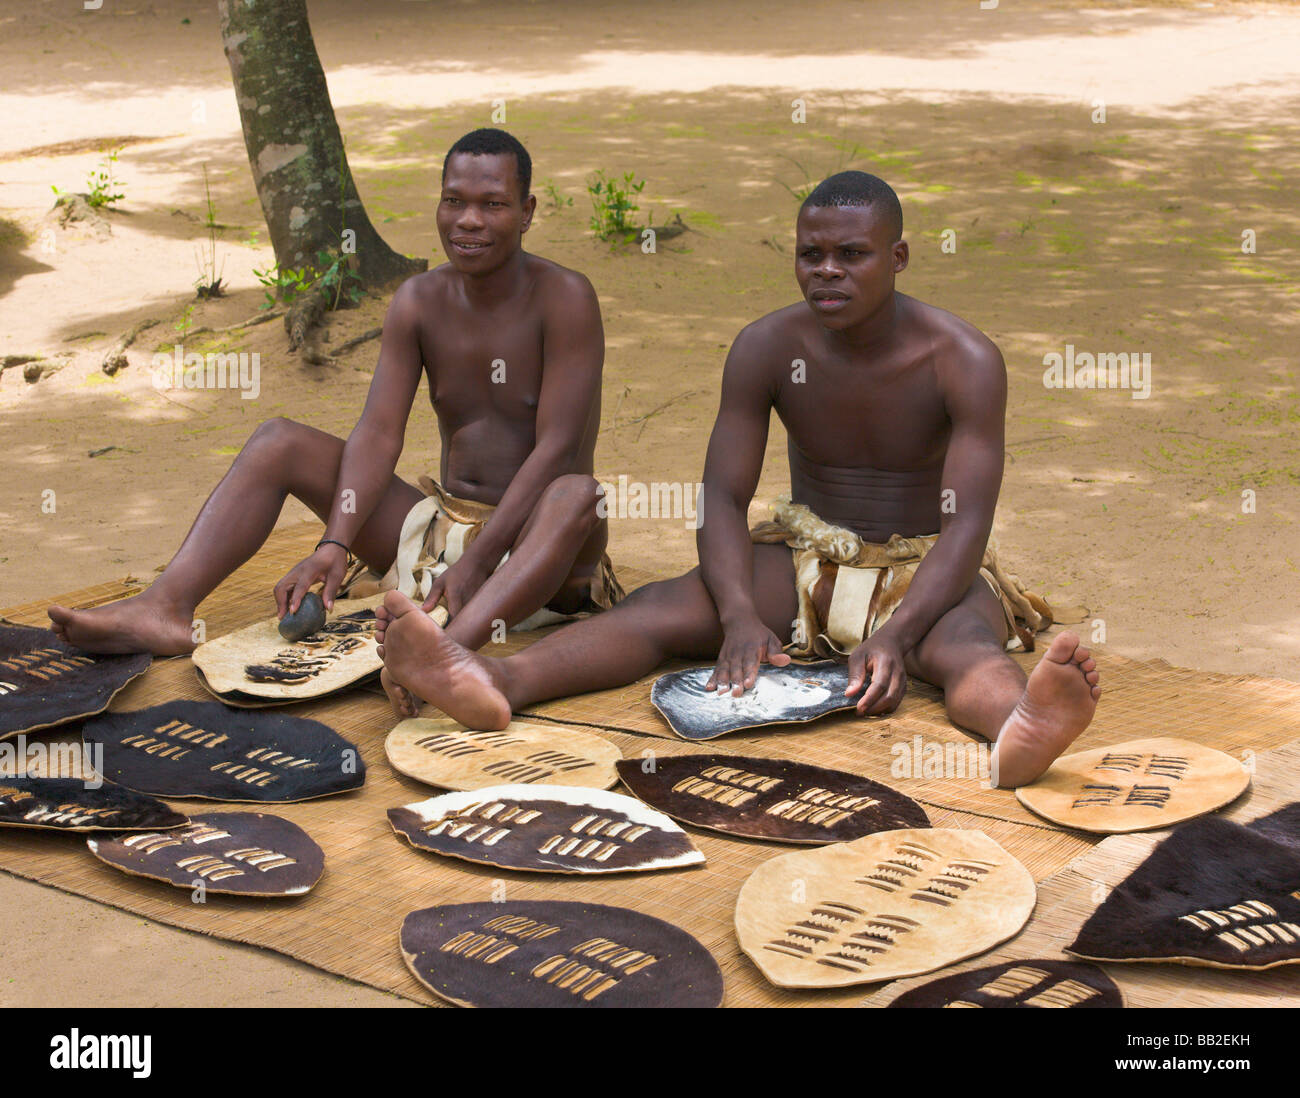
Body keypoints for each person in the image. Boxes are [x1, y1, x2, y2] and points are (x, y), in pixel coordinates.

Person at [375, 170, 1100, 787]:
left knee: (963, 645)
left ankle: (1019, 725)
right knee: (659, 609)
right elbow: (722, 495)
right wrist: (738, 615)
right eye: (811, 254)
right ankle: (499, 682)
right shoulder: (766, 347)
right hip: (805, 558)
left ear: (899, 256)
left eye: (853, 254)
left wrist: (897, 631)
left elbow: (967, 523)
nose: (828, 270)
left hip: (926, 568)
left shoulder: (963, 358)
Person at [49, 128, 622, 664]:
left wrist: (475, 564)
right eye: (454, 201)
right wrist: (337, 542)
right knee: (279, 441)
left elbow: (556, 449)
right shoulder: (419, 301)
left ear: (526, 213)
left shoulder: (565, 298)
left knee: (579, 493)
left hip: (539, 550)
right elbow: (377, 434)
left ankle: (447, 658)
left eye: (492, 204)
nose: (468, 220)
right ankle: (163, 608)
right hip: (440, 534)